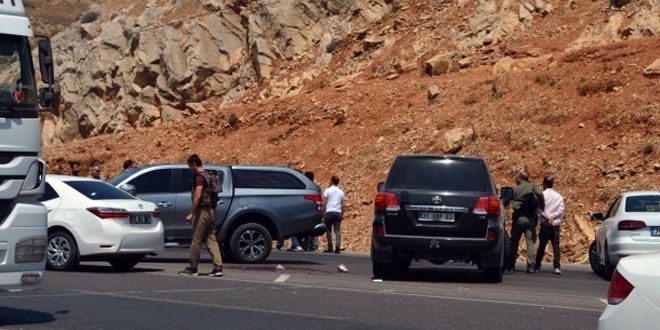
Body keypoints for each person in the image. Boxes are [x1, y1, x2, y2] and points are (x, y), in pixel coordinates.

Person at [179, 154, 223, 277]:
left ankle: (193, 267)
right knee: (211, 238)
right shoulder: (209, 175)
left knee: (196, 239)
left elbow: (198, 195)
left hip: (202, 211)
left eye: (189, 166)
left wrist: (191, 212)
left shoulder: (199, 178)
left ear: (193, 164)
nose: (189, 169)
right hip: (212, 211)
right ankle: (218, 267)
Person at [506, 170, 544, 274]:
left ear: (520, 178)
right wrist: (542, 207)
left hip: (518, 219)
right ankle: (531, 266)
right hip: (530, 219)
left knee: (514, 242)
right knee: (530, 243)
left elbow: (505, 201)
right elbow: (540, 195)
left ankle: (510, 265)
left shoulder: (515, 189)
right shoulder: (533, 187)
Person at [535, 176, 565, 274]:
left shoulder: (542, 195)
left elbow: (538, 208)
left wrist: (547, 217)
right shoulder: (558, 196)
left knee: (542, 245)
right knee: (556, 245)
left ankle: (537, 265)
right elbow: (561, 209)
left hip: (545, 223)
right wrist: (553, 216)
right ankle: (557, 267)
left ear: (545, 184)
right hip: (555, 223)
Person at [323, 175, 345, 254]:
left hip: (329, 212)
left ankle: (330, 247)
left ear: (332, 181)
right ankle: (338, 245)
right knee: (337, 230)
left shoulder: (327, 191)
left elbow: (325, 203)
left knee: (328, 230)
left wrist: (323, 212)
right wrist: (342, 214)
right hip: (337, 212)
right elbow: (343, 204)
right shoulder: (341, 192)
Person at [300, 171, 319, 252]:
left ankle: (305, 245)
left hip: (305, 211)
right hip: (314, 211)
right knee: (314, 229)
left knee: (305, 228)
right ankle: (313, 246)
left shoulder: (303, 187)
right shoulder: (315, 187)